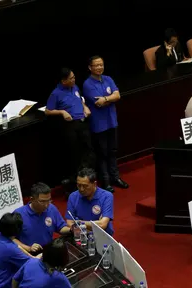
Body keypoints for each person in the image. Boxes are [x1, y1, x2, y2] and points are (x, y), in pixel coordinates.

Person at [83, 56, 129, 193]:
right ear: (90, 67)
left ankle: (116, 177)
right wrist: (110, 99)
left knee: (113, 151)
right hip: (99, 125)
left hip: (111, 121)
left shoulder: (108, 79)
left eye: (101, 65)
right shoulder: (87, 84)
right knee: (102, 154)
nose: (99, 67)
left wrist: (106, 99)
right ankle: (106, 181)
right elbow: (98, 103)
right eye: (96, 65)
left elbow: (117, 96)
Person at [45, 68, 94, 193]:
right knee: (75, 156)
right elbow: (48, 110)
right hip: (71, 126)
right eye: (71, 78)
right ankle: (73, 186)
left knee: (88, 152)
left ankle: (87, 181)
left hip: (83, 123)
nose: (74, 80)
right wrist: (62, 111)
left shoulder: (75, 87)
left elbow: (80, 99)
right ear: (63, 81)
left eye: (74, 77)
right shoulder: (56, 93)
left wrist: (85, 107)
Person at [0, 212, 40, 288]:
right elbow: (33, 264)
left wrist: (29, 251)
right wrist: (42, 255)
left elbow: (17, 246)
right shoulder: (11, 250)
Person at [13, 182, 71, 255]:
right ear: (32, 199)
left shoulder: (51, 208)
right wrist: (28, 248)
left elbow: (60, 228)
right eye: (42, 201)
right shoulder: (19, 214)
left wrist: (72, 229)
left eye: (49, 200)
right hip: (28, 255)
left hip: (48, 252)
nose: (46, 205)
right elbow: (11, 239)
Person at [66, 167, 114, 235]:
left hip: (103, 236)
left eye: (85, 186)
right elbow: (70, 224)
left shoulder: (107, 196)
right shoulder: (73, 197)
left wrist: (78, 222)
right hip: (82, 236)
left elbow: (103, 224)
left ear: (94, 184)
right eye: (79, 185)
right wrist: (96, 224)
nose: (81, 189)